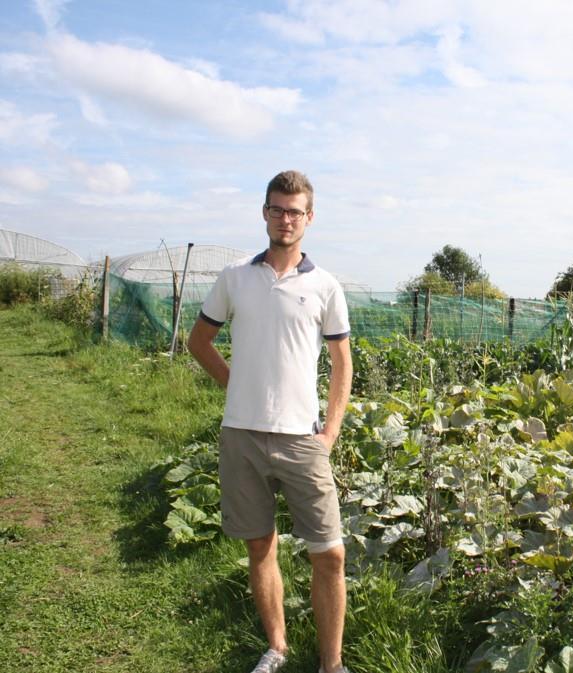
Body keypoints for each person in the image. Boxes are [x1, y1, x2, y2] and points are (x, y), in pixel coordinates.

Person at [188, 170, 352, 673]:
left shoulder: (324, 286)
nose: (286, 219)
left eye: (295, 211)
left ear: (309, 218)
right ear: (264, 212)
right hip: (241, 435)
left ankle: (331, 665)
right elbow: (199, 342)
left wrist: (329, 432)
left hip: (303, 440)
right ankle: (277, 648)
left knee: (329, 554)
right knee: (260, 545)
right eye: (278, 209)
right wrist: (236, 386)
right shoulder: (235, 277)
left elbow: (343, 363)